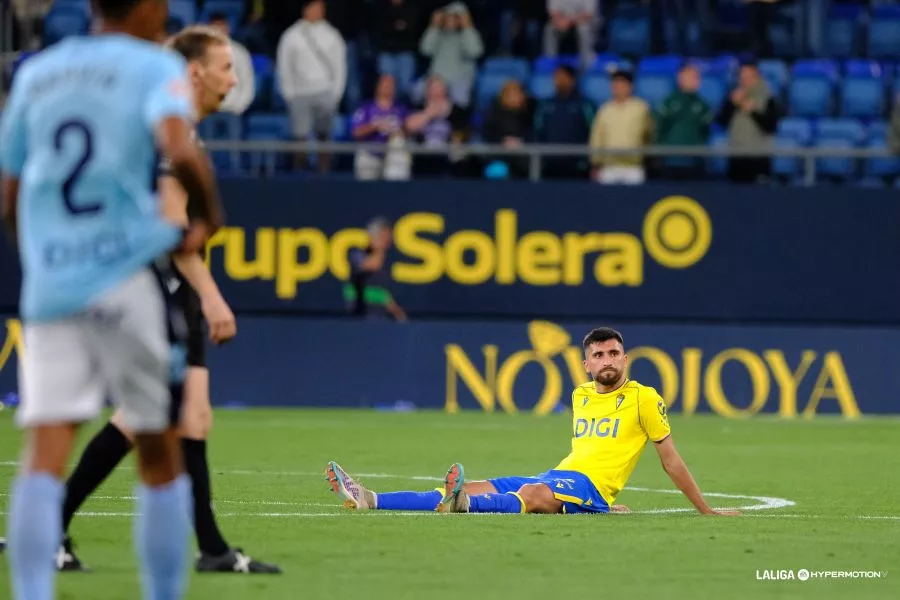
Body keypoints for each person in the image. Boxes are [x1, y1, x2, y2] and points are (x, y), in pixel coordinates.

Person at [0, 0, 223, 598]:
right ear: (147, 8)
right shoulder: (154, 69)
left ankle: (28, 592)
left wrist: (45, 261)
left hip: (51, 286)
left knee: (43, 456)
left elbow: (10, 191)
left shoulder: (36, 73)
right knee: (158, 448)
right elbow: (179, 151)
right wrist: (208, 215)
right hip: (126, 277)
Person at [52, 25, 281, 576]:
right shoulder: (170, 129)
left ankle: (211, 549)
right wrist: (213, 296)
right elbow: (172, 231)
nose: (234, 79)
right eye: (226, 68)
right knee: (150, 414)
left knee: (188, 415)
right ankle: (50, 530)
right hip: (152, 284)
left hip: (158, 284)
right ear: (196, 72)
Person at [327, 328, 741, 517]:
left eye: (614, 353)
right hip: (564, 477)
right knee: (475, 484)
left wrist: (705, 510)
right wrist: (605, 507)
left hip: (586, 487)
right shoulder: (581, 395)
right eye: (598, 356)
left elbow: (669, 459)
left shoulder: (645, 398)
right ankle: (372, 498)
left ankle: (466, 507)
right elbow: (595, 451)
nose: (607, 361)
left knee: (534, 494)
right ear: (586, 364)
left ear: (625, 358)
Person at [277, 0, 347, 172]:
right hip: (299, 93)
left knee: (324, 136)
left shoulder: (332, 35)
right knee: (300, 137)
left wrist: (336, 94)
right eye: (315, 7)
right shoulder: (291, 36)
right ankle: (299, 173)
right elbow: (284, 66)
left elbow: (340, 67)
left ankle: (324, 173)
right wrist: (289, 93)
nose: (318, 11)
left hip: (325, 91)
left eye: (321, 8)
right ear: (306, 9)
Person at [717, 57, 778, 184]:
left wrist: (753, 111)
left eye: (749, 76)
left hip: (759, 157)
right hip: (737, 156)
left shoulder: (768, 98)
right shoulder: (733, 96)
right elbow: (721, 123)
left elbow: (770, 127)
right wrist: (731, 104)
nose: (746, 80)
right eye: (742, 77)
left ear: (756, 76)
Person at [590, 69, 653, 185]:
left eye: (622, 83)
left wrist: (647, 159)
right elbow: (597, 136)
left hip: (633, 167)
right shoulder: (605, 110)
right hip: (609, 167)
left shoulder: (641, 108)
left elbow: (648, 133)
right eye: (615, 84)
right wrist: (596, 162)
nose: (618, 87)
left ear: (630, 86)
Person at [655, 64, 714, 180]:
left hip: (694, 162)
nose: (697, 81)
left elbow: (706, 130)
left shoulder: (702, 104)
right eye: (692, 77)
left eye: (697, 77)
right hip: (670, 161)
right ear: (680, 78)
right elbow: (660, 129)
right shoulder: (669, 102)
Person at [345, 218, 407, 322]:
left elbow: (382, 294)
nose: (388, 240)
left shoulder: (384, 261)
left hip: (380, 318)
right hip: (360, 317)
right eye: (384, 236)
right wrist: (379, 249)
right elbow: (373, 265)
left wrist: (398, 313)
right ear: (373, 236)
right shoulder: (357, 254)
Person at [207, 11, 256, 115]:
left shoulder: (239, 52)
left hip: (233, 111)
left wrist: (240, 107)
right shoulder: (201, 53)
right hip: (207, 112)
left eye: (221, 28)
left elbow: (247, 82)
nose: (218, 32)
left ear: (227, 28)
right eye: (214, 29)